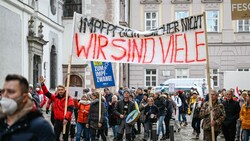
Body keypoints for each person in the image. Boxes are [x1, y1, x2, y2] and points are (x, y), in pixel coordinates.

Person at [0, 74, 55, 141]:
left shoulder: (41, 128)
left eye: (11, 92)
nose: (5, 95)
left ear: (25, 97)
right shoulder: (2, 122)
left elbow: (46, 95)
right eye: (3, 91)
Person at [39, 76, 74, 141]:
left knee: (65, 137)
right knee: (56, 137)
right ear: (57, 90)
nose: (60, 91)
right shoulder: (55, 97)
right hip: (57, 121)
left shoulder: (69, 98)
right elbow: (46, 93)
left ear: (64, 90)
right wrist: (42, 84)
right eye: (59, 90)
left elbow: (70, 109)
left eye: (62, 90)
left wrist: (66, 118)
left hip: (65, 121)